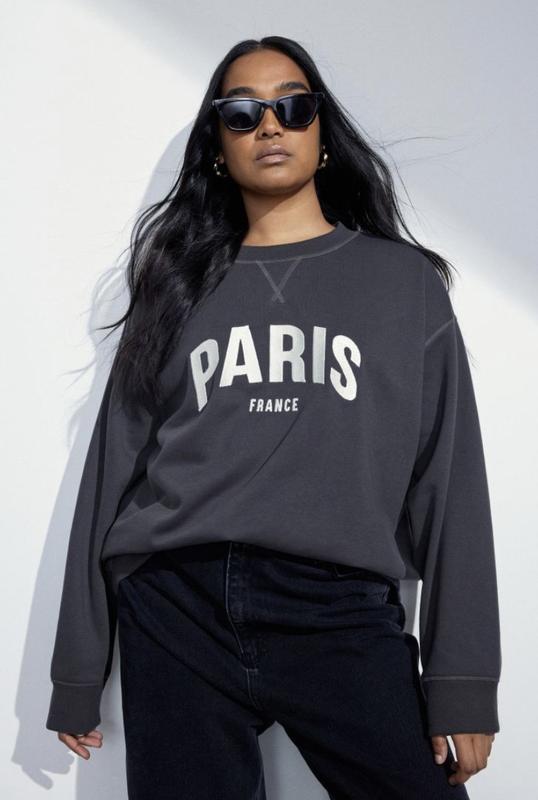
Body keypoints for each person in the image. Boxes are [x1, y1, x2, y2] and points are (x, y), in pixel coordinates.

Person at [46, 35, 501, 799]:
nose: (269, 126)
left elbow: (450, 484)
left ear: (322, 134)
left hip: (337, 610)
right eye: (242, 112)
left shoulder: (402, 285)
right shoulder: (176, 286)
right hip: (177, 611)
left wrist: (463, 680)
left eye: (293, 107)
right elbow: (110, 474)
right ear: (218, 147)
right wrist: (77, 671)